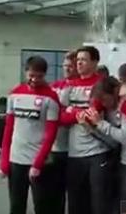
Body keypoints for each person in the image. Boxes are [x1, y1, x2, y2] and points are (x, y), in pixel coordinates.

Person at [0, 56, 60, 214]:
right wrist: (4, 162)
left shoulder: (51, 98)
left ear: (45, 75)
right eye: (31, 75)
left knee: (42, 206)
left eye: (39, 76)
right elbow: (8, 129)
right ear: (26, 72)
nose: (34, 79)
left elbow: (51, 134)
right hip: (16, 160)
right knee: (16, 206)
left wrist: (38, 164)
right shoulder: (14, 94)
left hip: (39, 162)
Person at [59, 46, 113, 214]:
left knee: (99, 204)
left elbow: (92, 115)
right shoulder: (69, 85)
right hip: (74, 154)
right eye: (78, 60)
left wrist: (72, 111)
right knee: (76, 204)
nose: (79, 63)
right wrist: (77, 114)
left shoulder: (102, 85)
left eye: (84, 59)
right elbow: (60, 117)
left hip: (97, 152)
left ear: (95, 62)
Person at [88, 76, 126, 213]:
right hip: (125, 163)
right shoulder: (112, 108)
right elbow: (114, 141)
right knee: (125, 208)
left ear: (114, 93)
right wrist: (93, 129)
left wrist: (101, 124)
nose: (104, 104)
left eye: (105, 99)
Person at [49, 51, 77, 214]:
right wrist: (64, 112)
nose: (67, 69)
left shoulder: (79, 87)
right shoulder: (55, 86)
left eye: (70, 66)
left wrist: (61, 114)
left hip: (73, 149)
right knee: (55, 192)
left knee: (74, 193)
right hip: (54, 147)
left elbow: (76, 115)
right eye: (64, 66)